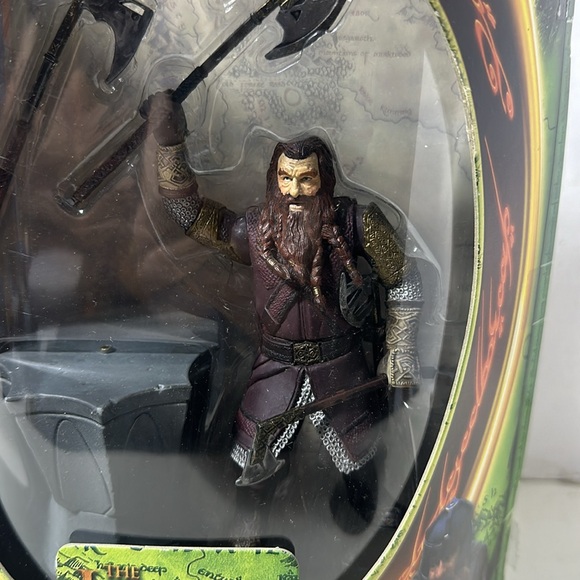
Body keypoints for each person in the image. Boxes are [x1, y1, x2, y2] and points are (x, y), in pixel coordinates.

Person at [145, 92, 424, 532]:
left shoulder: (359, 223)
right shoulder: (255, 230)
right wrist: (169, 144)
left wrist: (401, 348)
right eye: (286, 178)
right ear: (274, 179)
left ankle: (374, 532)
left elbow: (403, 279)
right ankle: (248, 544)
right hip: (273, 369)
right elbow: (191, 214)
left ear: (324, 180)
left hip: (344, 367)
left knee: (361, 463)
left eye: (306, 179)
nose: (294, 191)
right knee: (252, 470)